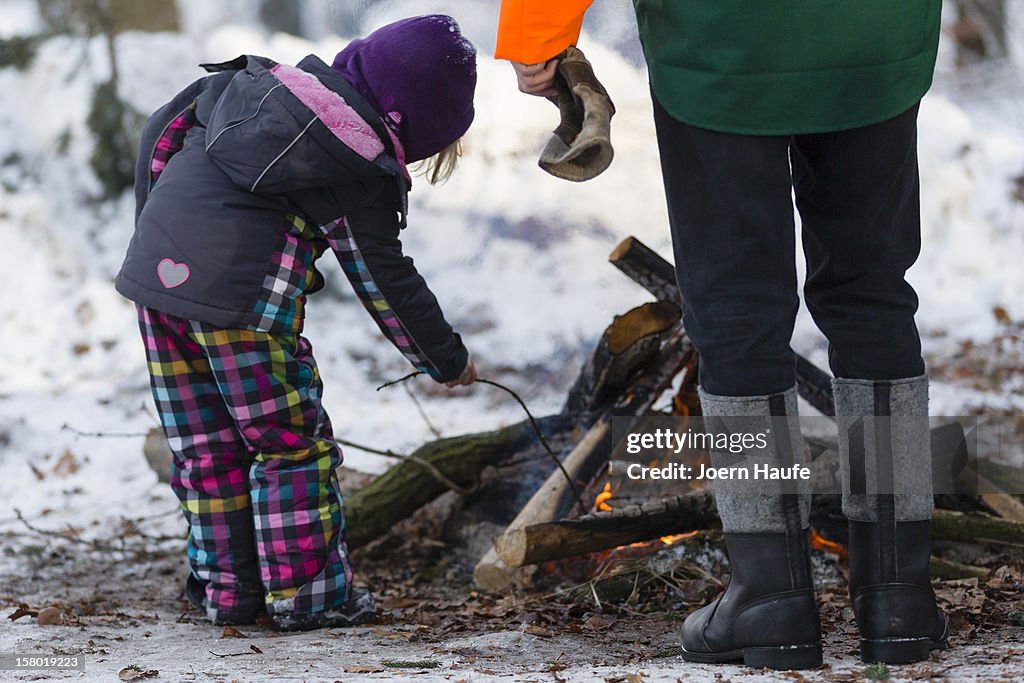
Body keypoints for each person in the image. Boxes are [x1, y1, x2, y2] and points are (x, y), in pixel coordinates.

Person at [496, 0, 947, 670]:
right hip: (874, 38)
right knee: (872, 296)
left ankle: (771, 598)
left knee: (735, 312)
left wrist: (538, 33)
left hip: (721, 45)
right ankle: (899, 593)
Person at [115, 15, 478, 631]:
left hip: (158, 287)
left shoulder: (250, 86)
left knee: (206, 452)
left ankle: (228, 595)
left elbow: (159, 133)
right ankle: (310, 598)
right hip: (244, 308)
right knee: (287, 447)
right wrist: (444, 358)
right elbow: (385, 280)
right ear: (414, 124)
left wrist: (156, 236)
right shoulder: (352, 158)